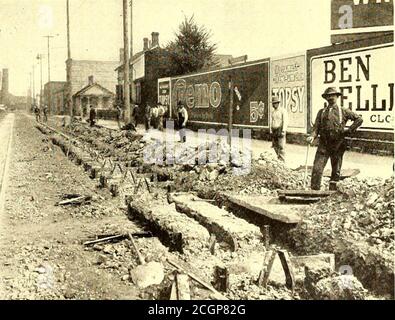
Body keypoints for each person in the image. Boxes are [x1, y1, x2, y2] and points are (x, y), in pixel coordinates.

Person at [307, 87, 363, 191]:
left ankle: (332, 194)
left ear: (337, 96)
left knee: (335, 170)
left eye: (332, 95)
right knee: (317, 169)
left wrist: (349, 130)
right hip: (323, 144)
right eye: (328, 96)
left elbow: (359, 119)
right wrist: (312, 136)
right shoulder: (321, 112)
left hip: (338, 144)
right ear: (325, 98)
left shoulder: (343, 111)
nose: (330, 97)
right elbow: (316, 128)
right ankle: (314, 192)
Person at [270, 96, 288, 162]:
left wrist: (283, 130)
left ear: (278, 103)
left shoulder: (283, 110)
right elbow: (272, 121)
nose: (273, 104)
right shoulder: (273, 112)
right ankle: (279, 158)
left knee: (281, 146)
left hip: (280, 129)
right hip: (274, 130)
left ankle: (282, 160)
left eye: (275, 103)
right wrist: (271, 130)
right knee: (274, 145)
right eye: (273, 103)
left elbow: (285, 121)